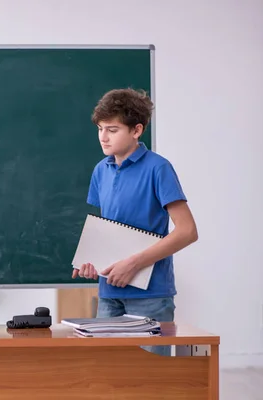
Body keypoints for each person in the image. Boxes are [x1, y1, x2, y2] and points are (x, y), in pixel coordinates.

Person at [72, 88, 198, 355]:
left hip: (150, 295)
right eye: (100, 128)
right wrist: (92, 263)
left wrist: (134, 263)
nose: (103, 137)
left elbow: (187, 231)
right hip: (109, 292)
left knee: (150, 381)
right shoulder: (100, 170)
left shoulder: (158, 168)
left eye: (113, 130)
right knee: (109, 377)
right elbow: (109, 231)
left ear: (136, 130)